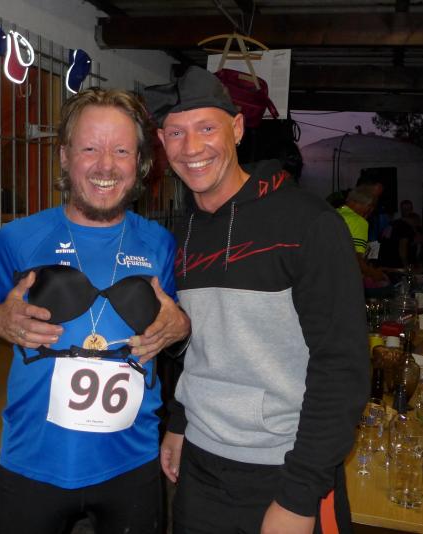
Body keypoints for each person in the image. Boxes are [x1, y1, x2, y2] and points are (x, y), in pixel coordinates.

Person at [0, 87, 190, 533]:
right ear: (64, 156)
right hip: (33, 460)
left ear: (139, 162)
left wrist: (180, 324)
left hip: (132, 461)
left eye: (121, 151)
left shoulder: (160, 244)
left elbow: (179, 326)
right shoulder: (19, 238)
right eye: (90, 148)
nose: (105, 165)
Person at [144, 66, 369, 534]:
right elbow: (203, 346)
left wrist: (299, 495)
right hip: (201, 467)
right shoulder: (184, 232)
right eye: (176, 133)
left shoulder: (308, 223)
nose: (192, 147)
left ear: (237, 129)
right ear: (163, 142)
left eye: (207, 128)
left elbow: (341, 366)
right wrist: (180, 422)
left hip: (285, 468)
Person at [337, 185, 388, 285]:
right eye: (370, 206)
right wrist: (375, 274)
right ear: (361, 203)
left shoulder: (334, 213)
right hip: (345, 280)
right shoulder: (359, 221)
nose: (371, 210)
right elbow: (355, 260)